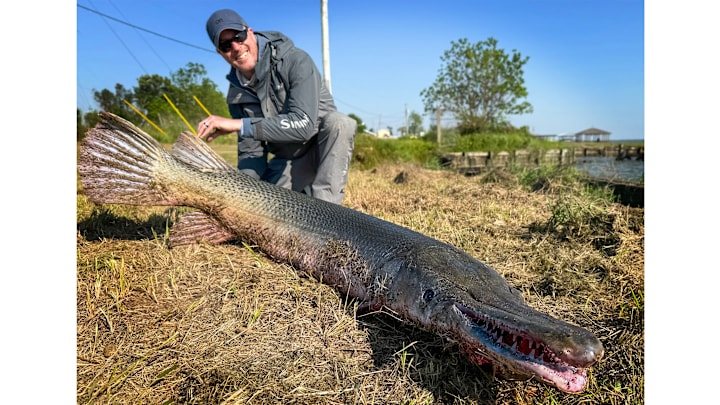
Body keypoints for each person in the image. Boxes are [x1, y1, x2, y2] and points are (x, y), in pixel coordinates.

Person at [197, 9, 356, 205]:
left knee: (340, 123)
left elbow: (303, 126)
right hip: (289, 161)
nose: (236, 47)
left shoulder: (296, 61)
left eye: (238, 36)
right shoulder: (236, 95)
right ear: (220, 53)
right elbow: (251, 153)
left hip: (322, 150)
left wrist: (240, 125)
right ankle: (302, 193)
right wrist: (243, 197)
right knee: (262, 205)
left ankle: (327, 211)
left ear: (250, 32)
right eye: (226, 45)